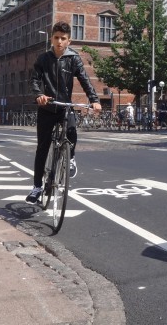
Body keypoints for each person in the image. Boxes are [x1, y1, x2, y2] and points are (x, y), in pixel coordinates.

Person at [26, 21, 101, 205]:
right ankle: (37, 187)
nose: (59, 41)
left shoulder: (74, 58)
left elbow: (85, 80)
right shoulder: (43, 59)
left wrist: (94, 100)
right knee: (42, 147)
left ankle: (70, 156)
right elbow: (34, 80)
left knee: (72, 132)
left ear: (69, 41)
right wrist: (39, 95)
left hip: (65, 106)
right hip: (47, 108)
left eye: (63, 38)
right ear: (52, 39)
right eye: (56, 38)